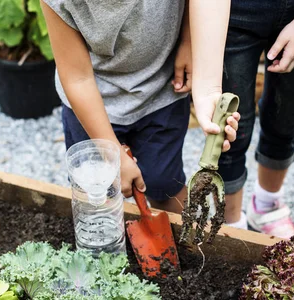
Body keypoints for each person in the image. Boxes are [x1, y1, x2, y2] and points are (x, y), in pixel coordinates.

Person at [40, 0, 239, 214]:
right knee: (97, 196)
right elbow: (77, 79)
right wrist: (111, 150)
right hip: (91, 104)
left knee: (164, 183)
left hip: (162, 91)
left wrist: (189, 42)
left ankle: (184, 243)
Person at [216, 0, 294, 238]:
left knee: (286, 114)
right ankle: (232, 223)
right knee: (231, 125)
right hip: (233, 12)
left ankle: (267, 205)